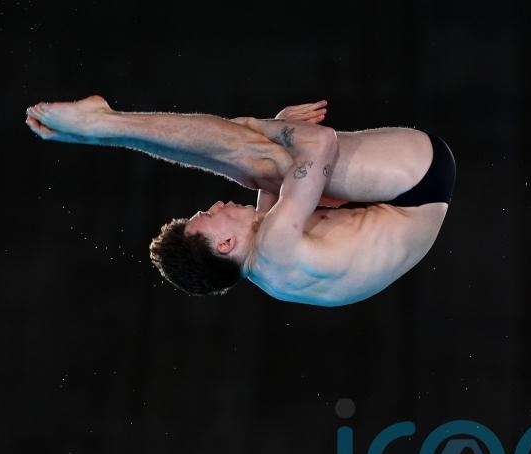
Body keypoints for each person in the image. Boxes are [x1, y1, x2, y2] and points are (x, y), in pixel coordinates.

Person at [25, 95, 455, 306]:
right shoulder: (274, 247)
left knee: (261, 164)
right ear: (225, 246)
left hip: (406, 203)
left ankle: (109, 131)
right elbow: (320, 144)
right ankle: (107, 125)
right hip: (417, 178)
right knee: (260, 159)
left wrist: (282, 126)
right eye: (209, 216)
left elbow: (283, 186)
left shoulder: (267, 265)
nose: (216, 205)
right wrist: (261, 124)